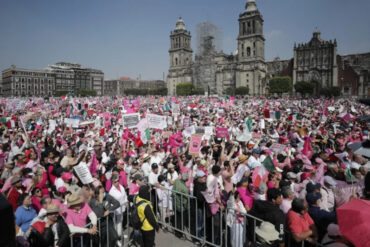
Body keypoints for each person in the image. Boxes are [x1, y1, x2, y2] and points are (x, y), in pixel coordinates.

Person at [109, 174, 128, 238]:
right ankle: (116, 238)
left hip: (122, 208)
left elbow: (125, 195)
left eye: (118, 181)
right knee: (115, 224)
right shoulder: (111, 191)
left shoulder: (121, 186)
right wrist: (112, 212)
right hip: (115, 211)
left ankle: (120, 234)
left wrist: (126, 203)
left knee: (120, 222)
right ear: (112, 182)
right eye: (115, 181)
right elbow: (111, 203)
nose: (117, 182)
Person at [172, 172, 189, 238]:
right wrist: (186, 207)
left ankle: (177, 232)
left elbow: (173, 192)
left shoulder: (176, 181)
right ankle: (180, 234)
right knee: (181, 220)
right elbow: (185, 201)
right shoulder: (185, 189)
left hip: (175, 204)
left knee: (177, 219)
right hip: (181, 207)